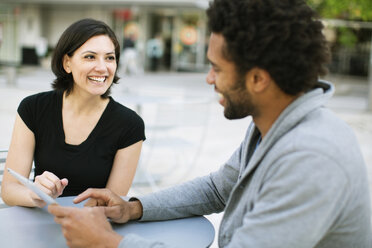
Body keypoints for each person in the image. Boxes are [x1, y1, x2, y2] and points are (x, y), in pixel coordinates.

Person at [48, 1, 372, 247]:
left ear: (258, 78)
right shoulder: (273, 124)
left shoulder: (312, 159)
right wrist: (133, 208)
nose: (208, 79)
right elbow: (218, 188)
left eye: (217, 68)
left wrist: (109, 242)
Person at [1, 18, 145, 208]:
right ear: (67, 63)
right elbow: (9, 190)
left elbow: (112, 204)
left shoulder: (130, 124)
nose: (102, 67)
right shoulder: (33, 108)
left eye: (109, 57)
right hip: (38, 223)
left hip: (93, 226)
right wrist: (35, 194)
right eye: (90, 57)